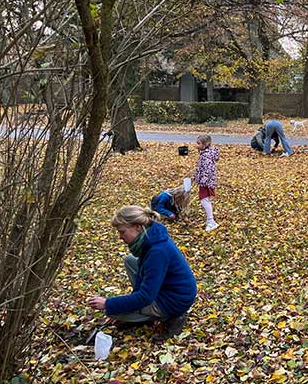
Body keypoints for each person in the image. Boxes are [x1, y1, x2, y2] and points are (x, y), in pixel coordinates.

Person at [87, 205, 197, 342]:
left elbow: (145, 297)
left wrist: (108, 304)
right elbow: (143, 279)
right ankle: (143, 314)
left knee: (115, 311)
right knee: (130, 260)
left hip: (176, 300)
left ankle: (172, 317)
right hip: (172, 290)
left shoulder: (157, 252)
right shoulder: (151, 238)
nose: (120, 237)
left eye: (122, 232)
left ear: (137, 227)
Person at [194, 134, 219, 232]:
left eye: (199, 143)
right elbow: (200, 168)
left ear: (205, 144)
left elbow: (207, 170)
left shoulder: (206, 155)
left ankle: (211, 222)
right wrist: (194, 177)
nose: (197, 145)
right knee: (205, 200)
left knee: (204, 200)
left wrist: (202, 181)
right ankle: (210, 221)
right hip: (206, 181)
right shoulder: (205, 153)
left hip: (206, 183)